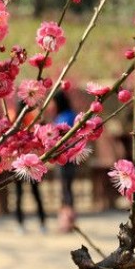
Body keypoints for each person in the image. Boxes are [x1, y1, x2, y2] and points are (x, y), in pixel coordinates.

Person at [50, 90, 80, 232]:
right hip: (71, 157)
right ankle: (69, 220)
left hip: (64, 158)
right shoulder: (72, 115)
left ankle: (66, 222)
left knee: (65, 189)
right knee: (67, 188)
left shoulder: (63, 118)